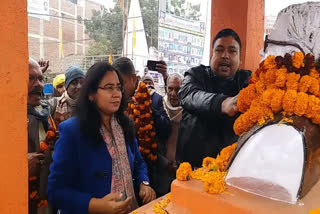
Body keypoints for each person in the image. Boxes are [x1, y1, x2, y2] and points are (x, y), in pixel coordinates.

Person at [47, 61, 156, 214]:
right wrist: (95, 205)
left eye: (118, 87)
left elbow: (138, 162)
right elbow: (55, 191)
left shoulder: (125, 125)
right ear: (91, 94)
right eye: (109, 87)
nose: (116, 93)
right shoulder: (73, 131)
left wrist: (144, 183)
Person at [176, 28, 252, 167]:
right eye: (219, 50)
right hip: (193, 169)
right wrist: (222, 103)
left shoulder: (247, 81)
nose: (225, 56)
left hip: (231, 169)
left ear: (240, 59)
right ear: (212, 55)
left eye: (232, 51)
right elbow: (189, 95)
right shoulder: (195, 75)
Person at [28, 58, 54, 214]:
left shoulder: (45, 113)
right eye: (31, 77)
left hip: (47, 199)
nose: (39, 84)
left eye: (41, 79)